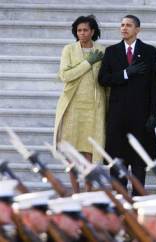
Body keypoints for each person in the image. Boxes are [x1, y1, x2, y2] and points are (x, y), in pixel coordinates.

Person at [98, 15, 156, 195]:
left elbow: (155, 85)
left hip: (141, 117)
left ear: (137, 29)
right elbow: (103, 79)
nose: (124, 28)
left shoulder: (149, 51)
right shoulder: (111, 52)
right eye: (122, 25)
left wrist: (154, 114)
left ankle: (138, 201)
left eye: (129, 25)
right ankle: (120, 201)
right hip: (118, 117)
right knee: (118, 161)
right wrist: (125, 73)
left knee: (139, 162)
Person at [54, 15, 106, 165]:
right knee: (72, 151)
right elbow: (65, 75)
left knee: (90, 150)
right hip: (73, 106)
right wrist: (87, 63)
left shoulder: (102, 50)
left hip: (95, 107)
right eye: (79, 30)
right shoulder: (69, 50)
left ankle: (88, 187)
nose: (82, 33)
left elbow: (105, 81)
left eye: (85, 30)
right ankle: (76, 189)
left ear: (92, 31)